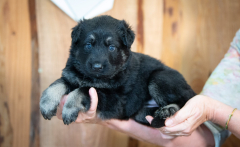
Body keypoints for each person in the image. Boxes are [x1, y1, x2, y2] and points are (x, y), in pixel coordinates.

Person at [56, 30, 240, 147]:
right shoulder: (237, 53)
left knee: (160, 88)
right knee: (150, 113)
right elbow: (202, 138)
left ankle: (171, 108)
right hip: (141, 107)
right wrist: (101, 117)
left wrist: (212, 109)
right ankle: (169, 111)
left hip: (157, 92)